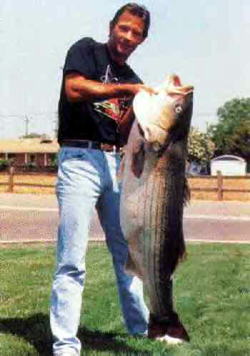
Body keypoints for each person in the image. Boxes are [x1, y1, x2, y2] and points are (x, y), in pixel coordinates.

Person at [50, 3, 152, 356]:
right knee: (72, 258)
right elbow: (74, 89)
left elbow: (124, 133)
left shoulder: (135, 80)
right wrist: (125, 91)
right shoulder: (85, 50)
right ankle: (65, 344)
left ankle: (141, 330)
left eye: (136, 33)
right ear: (112, 27)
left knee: (126, 253)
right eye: (124, 28)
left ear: (142, 39)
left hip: (114, 162)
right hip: (79, 157)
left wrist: (143, 110)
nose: (128, 37)